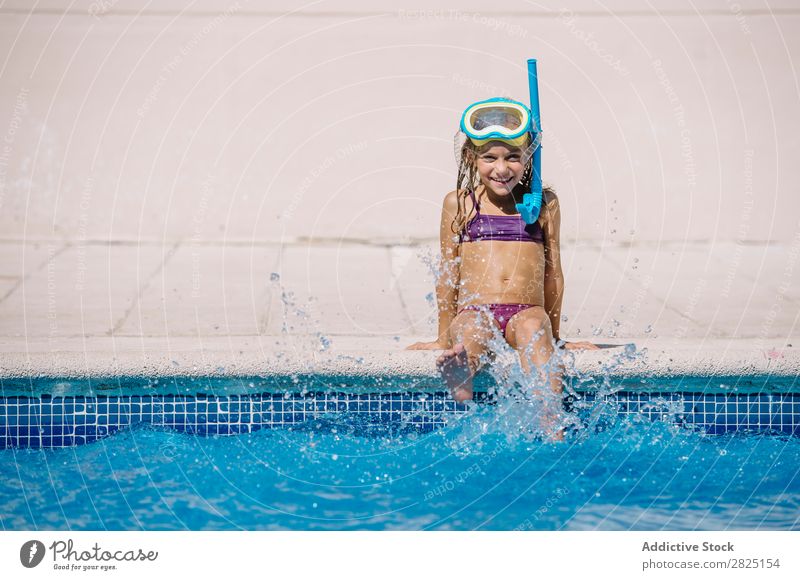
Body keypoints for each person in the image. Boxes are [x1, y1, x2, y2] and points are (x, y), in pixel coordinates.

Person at [408, 97, 597, 422]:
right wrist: (442, 336)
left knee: (536, 334)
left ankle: (550, 421)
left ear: (530, 157)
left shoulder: (544, 205)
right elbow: (448, 272)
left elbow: (553, 272)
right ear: (471, 157)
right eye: (490, 158)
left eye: (513, 157)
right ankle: (461, 373)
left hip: (528, 310)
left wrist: (556, 333)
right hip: (475, 309)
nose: (501, 168)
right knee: (470, 333)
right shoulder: (461, 203)